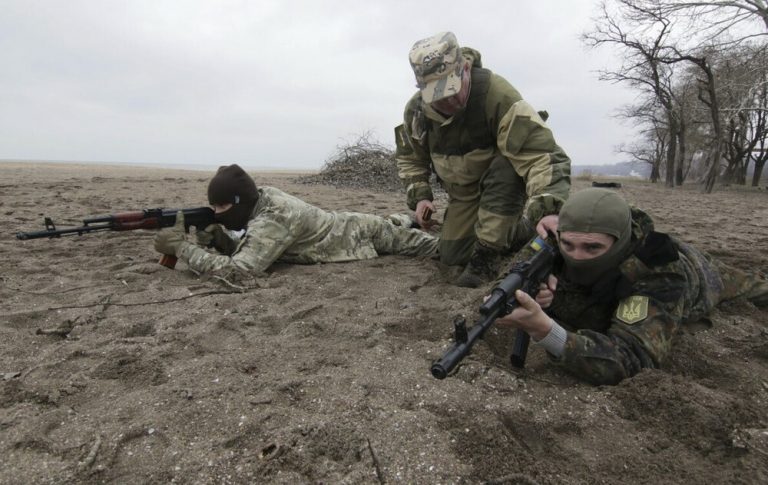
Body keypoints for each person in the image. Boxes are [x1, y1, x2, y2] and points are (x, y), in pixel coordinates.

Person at [494, 188, 768, 385]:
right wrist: (539, 289)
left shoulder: (660, 273)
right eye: (569, 245)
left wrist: (545, 329)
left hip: (702, 275)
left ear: (619, 242)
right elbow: (508, 279)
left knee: (756, 288)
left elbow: (629, 359)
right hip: (604, 288)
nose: (577, 255)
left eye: (592, 247)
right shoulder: (556, 237)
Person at [394, 31, 571, 288]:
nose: (450, 100)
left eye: (453, 87)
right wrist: (421, 195)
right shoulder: (416, 111)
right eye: (438, 95)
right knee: (453, 255)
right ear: (421, 89)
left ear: (465, 68)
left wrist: (549, 210)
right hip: (464, 195)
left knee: (506, 170)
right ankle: (518, 229)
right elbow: (410, 159)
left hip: (502, 185)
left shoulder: (497, 95)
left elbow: (541, 156)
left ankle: (489, 254)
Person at [153, 164, 439, 278]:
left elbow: (240, 271)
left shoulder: (274, 216)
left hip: (360, 235)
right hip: (346, 224)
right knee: (394, 221)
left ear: (241, 202)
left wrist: (183, 249)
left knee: (431, 247)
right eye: (213, 207)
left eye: (222, 206)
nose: (217, 213)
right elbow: (255, 245)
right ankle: (410, 216)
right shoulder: (260, 201)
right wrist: (220, 238)